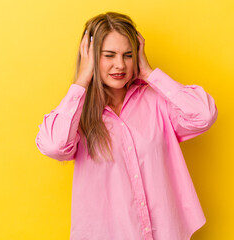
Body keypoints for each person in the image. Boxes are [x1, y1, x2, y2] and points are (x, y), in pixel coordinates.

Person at [35, 11, 218, 240]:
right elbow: (53, 146)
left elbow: (204, 115)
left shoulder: (156, 100)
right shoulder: (77, 115)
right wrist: (82, 79)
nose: (120, 65)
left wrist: (149, 73)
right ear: (90, 57)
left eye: (128, 55)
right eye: (109, 55)